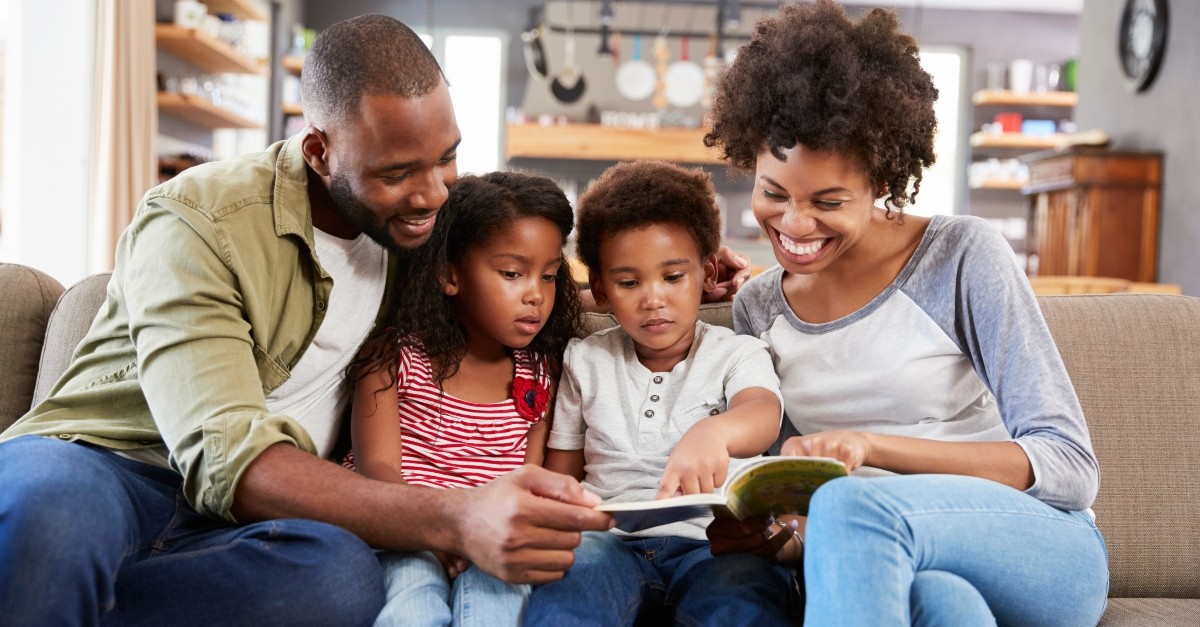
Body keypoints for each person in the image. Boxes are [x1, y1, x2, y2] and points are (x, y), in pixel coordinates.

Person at [0, 15, 613, 625]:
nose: (431, 193)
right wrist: (454, 516)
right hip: (109, 467)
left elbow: (506, 281)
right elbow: (227, 458)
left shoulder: (420, 225)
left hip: (234, 531)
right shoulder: (198, 220)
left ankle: (78, 593)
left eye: (446, 157)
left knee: (339, 578)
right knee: (52, 511)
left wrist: (641, 288)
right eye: (397, 172)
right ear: (320, 150)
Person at [701, 2, 1109, 625]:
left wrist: (872, 449)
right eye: (773, 193)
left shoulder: (960, 255)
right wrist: (779, 536)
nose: (794, 224)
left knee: (853, 508)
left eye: (829, 201)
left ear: (883, 183)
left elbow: (1068, 466)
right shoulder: (758, 305)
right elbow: (796, 492)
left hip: (1037, 548)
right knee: (944, 609)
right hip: (889, 561)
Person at [525, 161, 800, 626]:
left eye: (673, 277)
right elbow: (564, 476)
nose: (653, 298)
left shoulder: (738, 351)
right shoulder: (584, 360)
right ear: (601, 289)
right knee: (571, 590)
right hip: (606, 541)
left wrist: (714, 433)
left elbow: (762, 413)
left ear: (707, 273)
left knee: (741, 601)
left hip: (711, 544)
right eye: (629, 283)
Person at [344, 171, 580, 626]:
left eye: (549, 276)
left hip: (494, 541)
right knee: (413, 598)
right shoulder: (393, 360)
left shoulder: (542, 374)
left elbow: (529, 477)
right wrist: (437, 529)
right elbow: (377, 471)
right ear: (449, 273)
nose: (535, 294)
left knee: (499, 603)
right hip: (404, 531)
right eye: (512, 273)